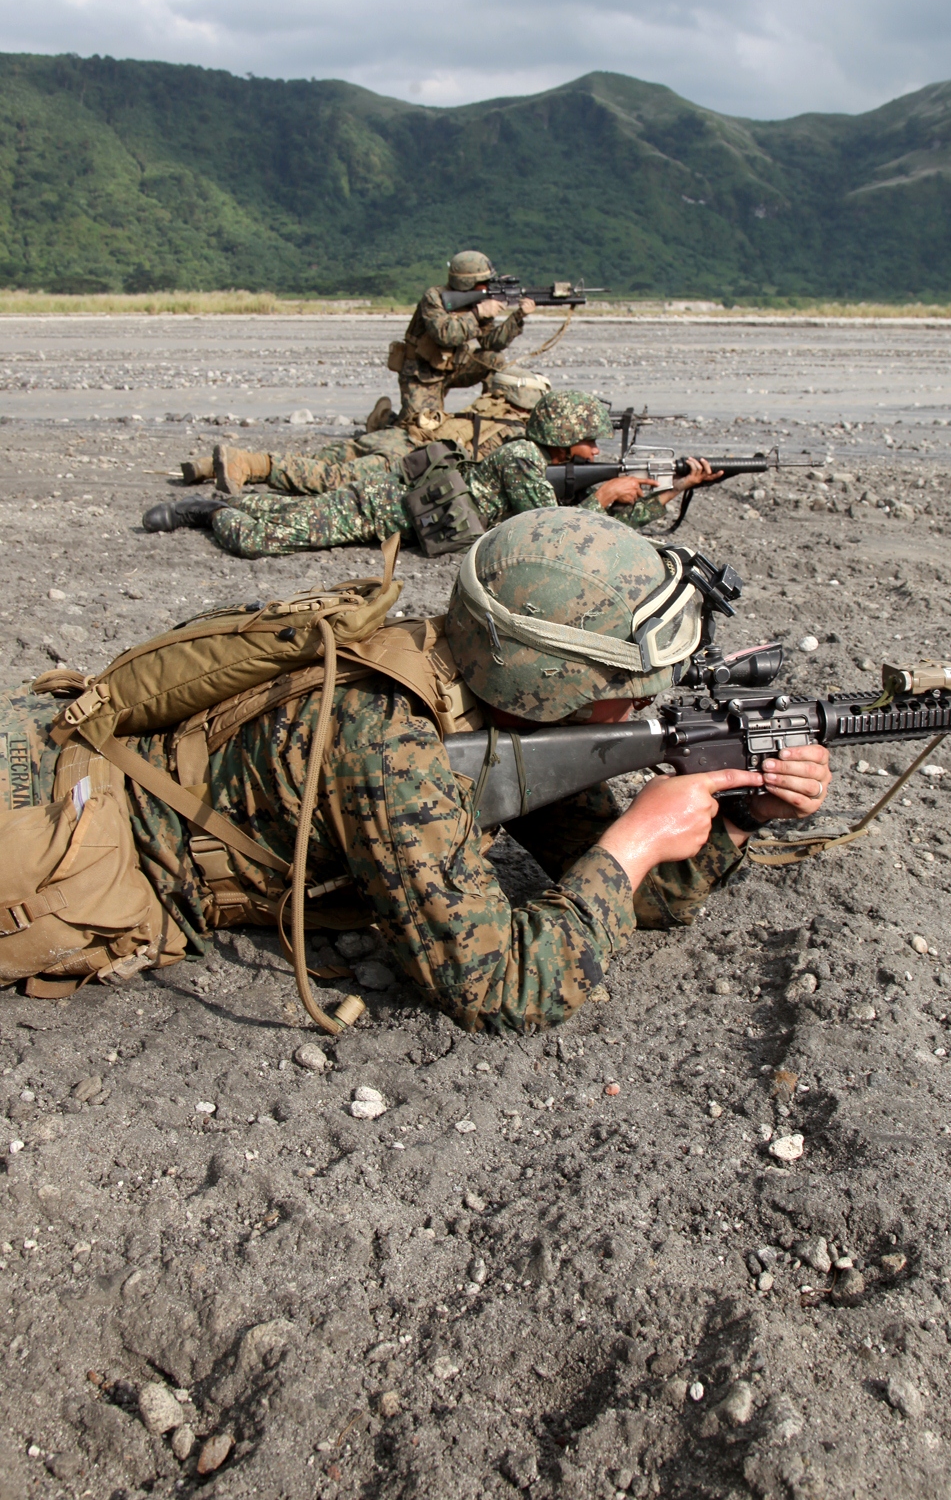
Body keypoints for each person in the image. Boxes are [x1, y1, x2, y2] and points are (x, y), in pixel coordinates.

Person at [1, 511, 832, 1029]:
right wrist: (635, 843)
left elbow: (644, 901)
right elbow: (500, 987)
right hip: (68, 843)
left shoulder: (476, 682)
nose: (649, 700)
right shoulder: (393, 746)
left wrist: (741, 814)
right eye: (631, 687)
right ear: (553, 683)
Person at [141, 392, 721, 557]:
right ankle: (212, 512)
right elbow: (551, 530)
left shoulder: (542, 467)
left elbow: (590, 516)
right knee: (258, 538)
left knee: (280, 515)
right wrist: (609, 495)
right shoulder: (522, 458)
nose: (597, 449)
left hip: (399, 515)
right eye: (589, 441)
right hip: (378, 507)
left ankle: (220, 507)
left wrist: (673, 489)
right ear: (565, 441)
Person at [176, 372, 550, 496]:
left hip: (401, 436)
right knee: (334, 479)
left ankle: (210, 465)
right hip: (411, 456)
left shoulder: (487, 404)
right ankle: (250, 464)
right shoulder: (512, 429)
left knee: (327, 457)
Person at [392, 249, 536, 434]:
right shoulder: (434, 298)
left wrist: (517, 317)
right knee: (419, 429)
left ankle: (493, 418)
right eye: (483, 283)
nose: (487, 286)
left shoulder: (477, 300)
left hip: (454, 368)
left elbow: (491, 343)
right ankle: (384, 419)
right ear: (467, 282)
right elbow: (444, 335)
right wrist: (477, 314)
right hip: (422, 373)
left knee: (494, 360)